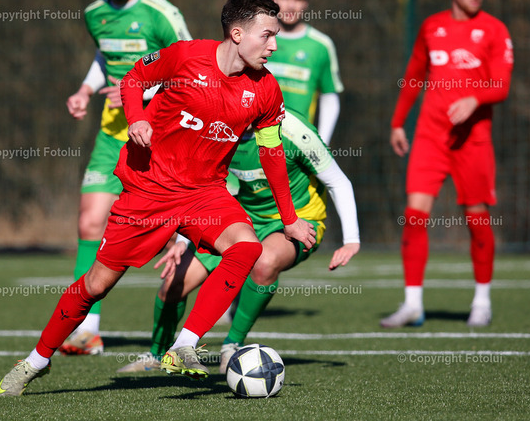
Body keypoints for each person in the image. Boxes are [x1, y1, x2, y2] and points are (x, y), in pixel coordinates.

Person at [0, 0, 317, 397]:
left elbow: (271, 153)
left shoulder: (266, 89)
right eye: (267, 35)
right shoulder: (185, 56)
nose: (274, 45)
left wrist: (289, 220)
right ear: (237, 34)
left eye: (276, 36)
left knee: (247, 248)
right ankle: (36, 360)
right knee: (96, 285)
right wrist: (136, 119)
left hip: (205, 192)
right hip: (149, 189)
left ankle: (183, 346)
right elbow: (133, 79)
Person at [116, 110, 360, 374]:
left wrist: (351, 240)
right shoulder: (211, 129)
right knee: (174, 282)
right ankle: (157, 355)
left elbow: (338, 182)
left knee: (265, 261)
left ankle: (232, 345)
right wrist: (183, 241)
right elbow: (196, 189)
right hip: (241, 215)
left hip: (298, 220)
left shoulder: (292, 130)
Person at [62, 0, 191, 355]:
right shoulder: (95, 14)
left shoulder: (162, 14)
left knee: (184, 230)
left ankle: (211, 310)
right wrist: (86, 89)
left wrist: (140, 91)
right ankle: (87, 331)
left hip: (159, 137)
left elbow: (192, 73)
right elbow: (105, 57)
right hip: (112, 133)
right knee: (89, 223)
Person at [380, 0, 513, 328]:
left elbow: (502, 85)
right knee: (414, 215)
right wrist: (397, 123)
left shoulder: (495, 29)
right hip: (430, 136)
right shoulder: (432, 26)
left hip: (473, 139)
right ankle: (412, 304)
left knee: (477, 219)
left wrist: (475, 98)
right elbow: (413, 76)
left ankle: (482, 301)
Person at [265, 0, 344, 144]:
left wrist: (320, 144)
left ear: (306, 2)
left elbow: (329, 98)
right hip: (252, 145)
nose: (291, 6)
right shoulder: (255, 39)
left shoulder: (321, 45)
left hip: (298, 146)